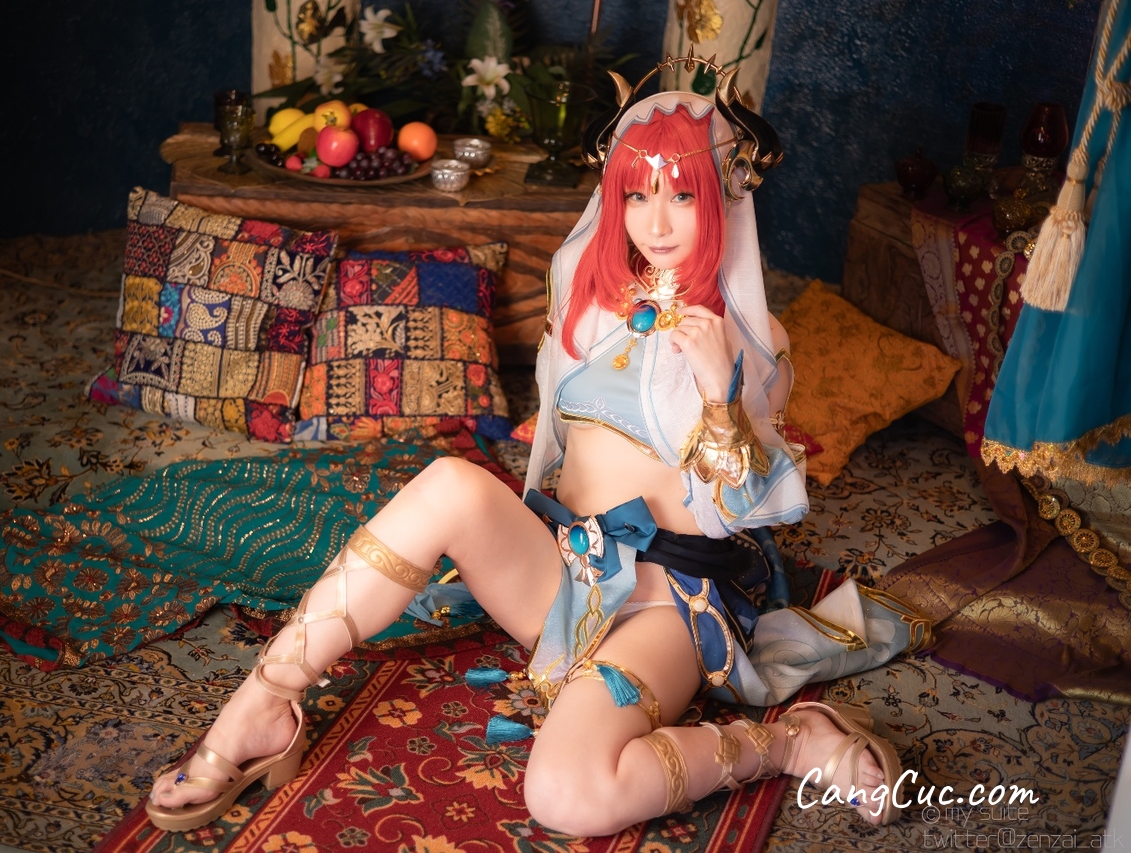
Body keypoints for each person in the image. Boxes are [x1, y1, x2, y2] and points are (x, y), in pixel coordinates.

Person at [144, 90, 920, 836]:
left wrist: (720, 391)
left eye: (682, 196)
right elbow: (559, 444)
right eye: (636, 194)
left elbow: (741, 512)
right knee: (448, 483)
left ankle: (788, 744)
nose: (655, 222)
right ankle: (263, 702)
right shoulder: (587, 300)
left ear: (720, 197)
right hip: (564, 568)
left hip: (666, 604)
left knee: (566, 793)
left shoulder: (755, 339)